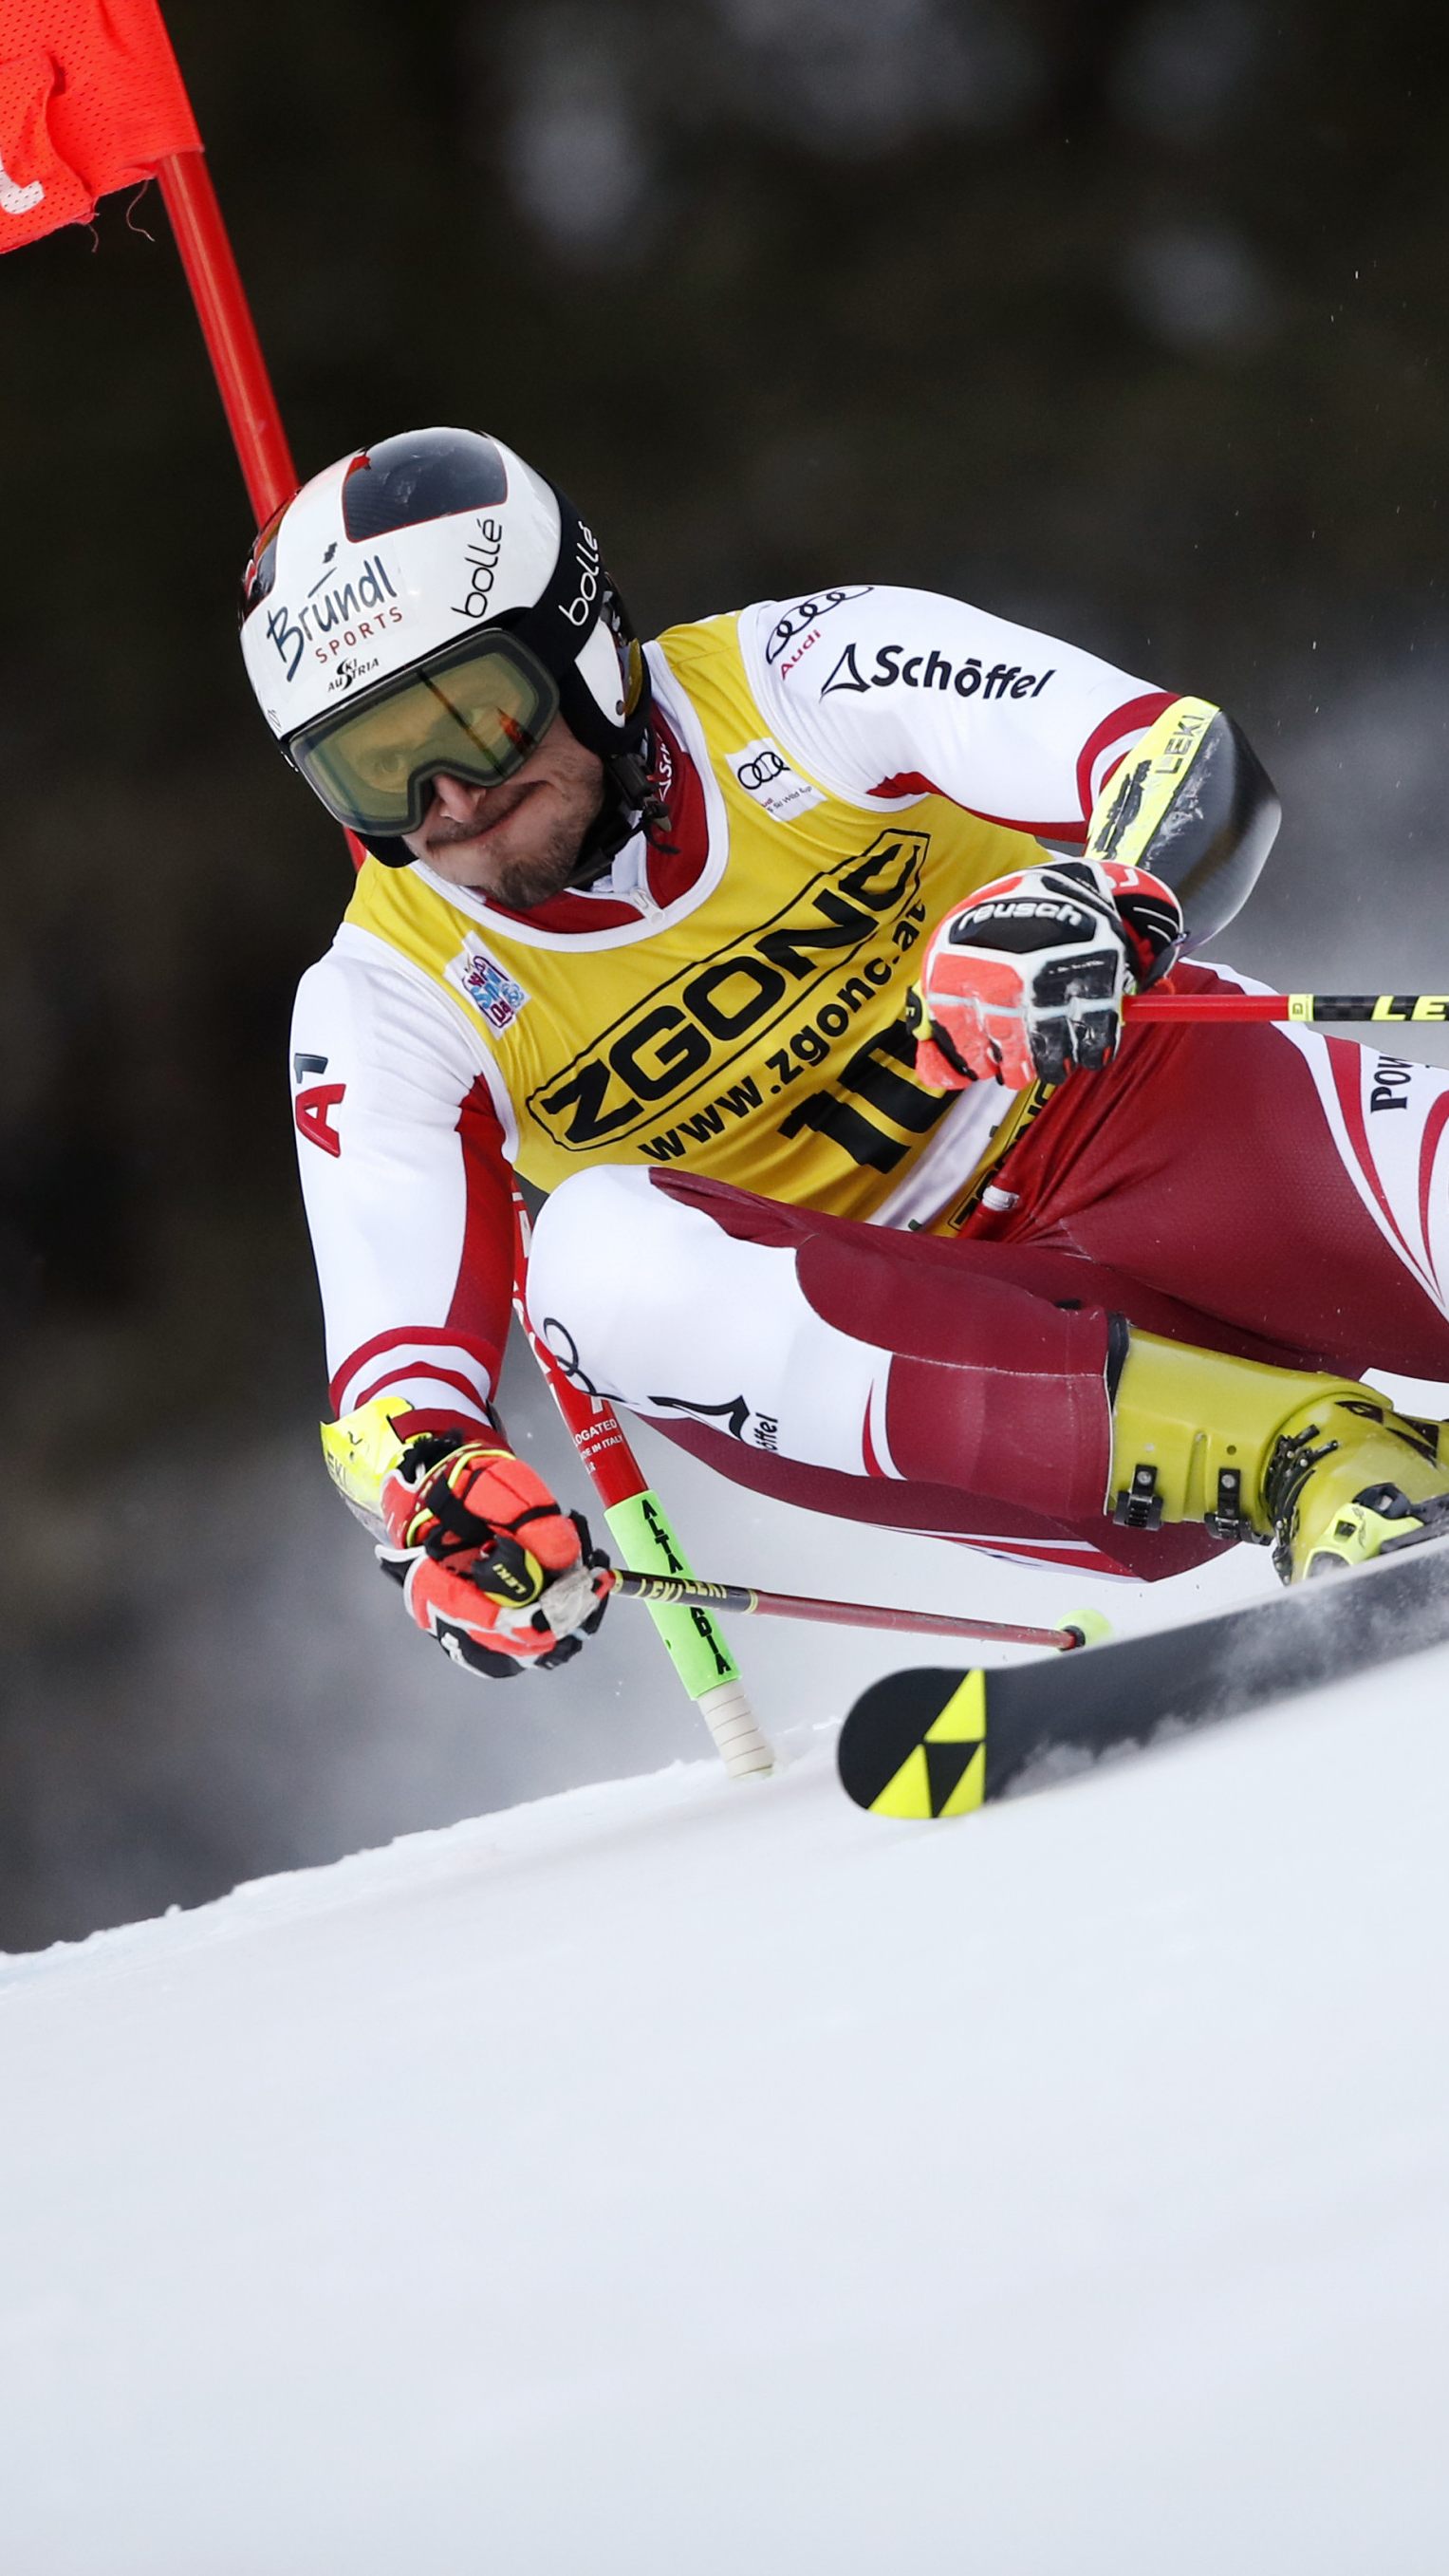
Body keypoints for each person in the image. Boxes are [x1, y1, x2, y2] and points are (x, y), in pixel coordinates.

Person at [241, 426, 1449, 1681]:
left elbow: (1182, 758)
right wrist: (443, 1503)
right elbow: (392, 1390)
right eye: (369, 767)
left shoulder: (804, 675)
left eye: (466, 717)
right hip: (982, 1381)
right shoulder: (386, 994)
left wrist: (1101, 903)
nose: (444, 800)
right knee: (591, 1261)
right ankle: (1312, 1458)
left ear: (579, 643)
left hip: (1163, 1133)